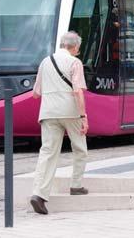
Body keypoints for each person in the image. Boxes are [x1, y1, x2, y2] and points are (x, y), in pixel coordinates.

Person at [30, 31, 89, 215]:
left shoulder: (45, 61)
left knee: (47, 153)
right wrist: (83, 116)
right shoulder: (75, 62)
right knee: (79, 148)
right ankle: (76, 185)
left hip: (48, 112)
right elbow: (78, 91)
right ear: (75, 47)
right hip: (70, 112)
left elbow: (36, 93)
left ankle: (39, 194)